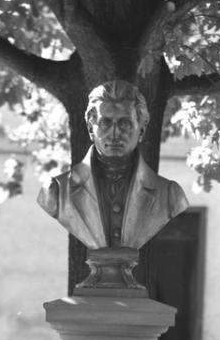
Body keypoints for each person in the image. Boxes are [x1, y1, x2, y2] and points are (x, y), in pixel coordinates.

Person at [38, 80, 189, 250]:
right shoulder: (57, 192)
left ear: (141, 129)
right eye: (105, 123)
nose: (115, 134)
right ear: (90, 128)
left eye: (125, 123)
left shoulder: (170, 196)